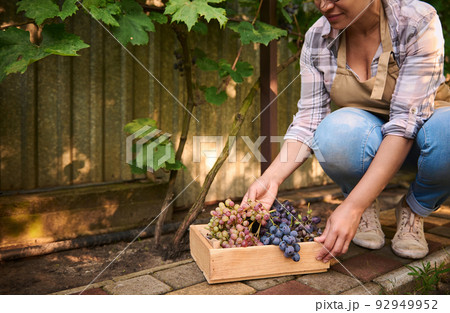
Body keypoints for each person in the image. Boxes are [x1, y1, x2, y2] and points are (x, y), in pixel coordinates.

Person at [242, 0, 450, 263]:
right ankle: (363, 203)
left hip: (424, 139)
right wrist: (270, 178)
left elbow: (404, 123)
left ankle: (415, 207)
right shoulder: (318, 38)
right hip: (368, 140)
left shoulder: (416, 21)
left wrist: (351, 207)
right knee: (334, 131)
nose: (324, 5)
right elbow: (309, 120)